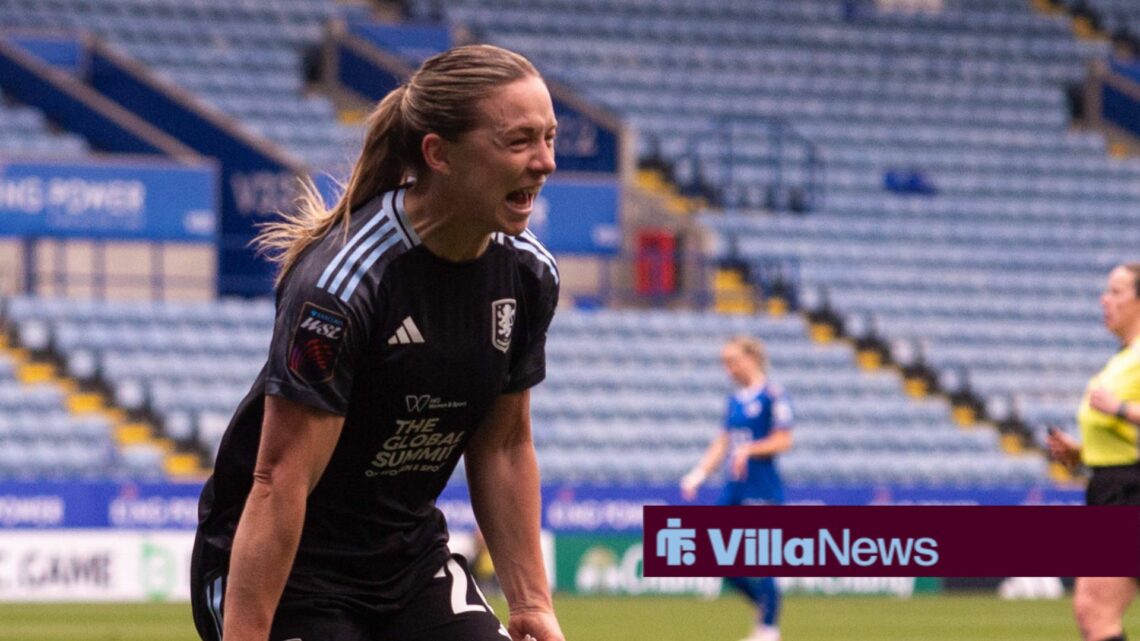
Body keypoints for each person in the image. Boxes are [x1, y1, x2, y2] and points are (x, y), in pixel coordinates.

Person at [190, 44, 565, 641]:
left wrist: (531, 602)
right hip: (291, 576)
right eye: (518, 141)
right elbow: (278, 482)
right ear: (438, 154)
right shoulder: (340, 287)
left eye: (549, 138)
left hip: (407, 566)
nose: (544, 162)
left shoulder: (528, 275)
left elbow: (504, 446)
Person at [1047, 263, 1140, 641]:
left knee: (1094, 610)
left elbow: (1120, 416)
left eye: (1116, 292)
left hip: (1130, 492)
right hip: (1110, 486)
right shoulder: (1122, 360)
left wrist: (1120, 408)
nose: (1105, 299)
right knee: (1092, 610)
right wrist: (1082, 454)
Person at [680, 336, 794, 641]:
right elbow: (723, 441)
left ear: (751, 359)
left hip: (762, 487)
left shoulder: (773, 396)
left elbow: (784, 439)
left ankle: (768, 628)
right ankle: (764, 607)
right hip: (734, 488)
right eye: (724, 362)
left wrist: (750, 450)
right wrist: (699, 473)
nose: (727, 368)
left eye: (732, 360)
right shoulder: (733, 401)